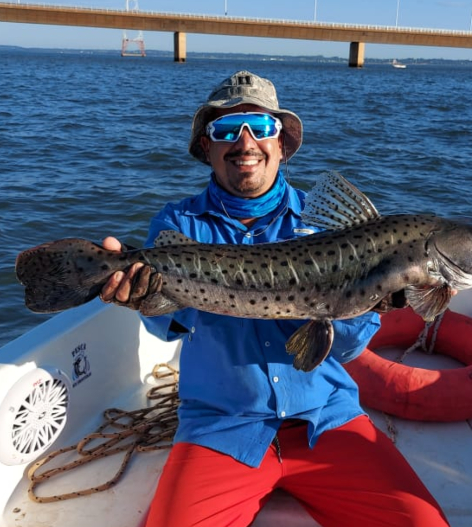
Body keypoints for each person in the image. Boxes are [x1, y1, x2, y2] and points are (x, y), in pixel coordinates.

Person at [99, 70, 449, 527]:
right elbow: (167, 325)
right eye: (226, 130)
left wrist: (378, 300)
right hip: (221, 426)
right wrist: (140, 298)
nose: (245, 144)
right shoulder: (178, 224)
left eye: (261, 128)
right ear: (207, 148)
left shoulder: (334, 225)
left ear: (281, 143)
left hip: (327, 420)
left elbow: (343, 348)